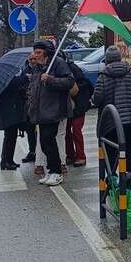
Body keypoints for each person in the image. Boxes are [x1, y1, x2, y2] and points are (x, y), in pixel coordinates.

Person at [25, 40, 76, 187]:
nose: (35, 55)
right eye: (34, 52)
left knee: (49, 140)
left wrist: (51, 79)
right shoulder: (38, 67)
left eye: (39, 52)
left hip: (54, 110)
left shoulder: (57, 63)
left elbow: (69, 81)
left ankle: (56, 172)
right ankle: (52, 170)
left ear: (46, 52)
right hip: (41, 111)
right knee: (45, 142)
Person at [92, 45, 131, 180]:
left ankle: (112, 180)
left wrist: (92, 100)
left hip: (111, 121)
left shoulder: (104, 76)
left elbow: (98, 98)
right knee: (127, 151)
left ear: (107, 59)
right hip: (129, 120)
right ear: (120, 58)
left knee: (111, 151)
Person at [0, 68, 28, 170]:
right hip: (9, 112)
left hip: (9, 111)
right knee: (9, 137)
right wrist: (25, 78)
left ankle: (8, 160)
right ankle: (5, 161)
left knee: (11, 137)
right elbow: (15, 84)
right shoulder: (6, 79)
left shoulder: (3, 78)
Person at [64, 54, 94, 167]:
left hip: (78, 105)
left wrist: (72, 87)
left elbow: (84, 84)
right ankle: (70, 155)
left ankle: (81, 156)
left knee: (76, 129)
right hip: (68, 106)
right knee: (67, 132)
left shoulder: (73, 68)